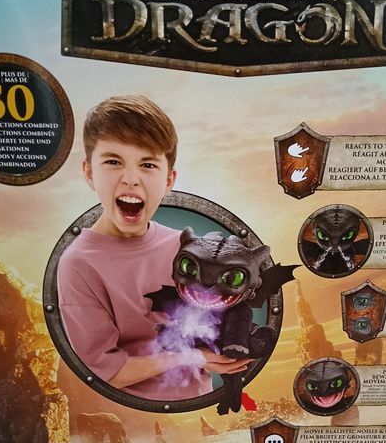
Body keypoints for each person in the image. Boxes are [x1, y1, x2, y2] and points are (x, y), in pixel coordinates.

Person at [57, 95, 249, 400]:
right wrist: (188, 357)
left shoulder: (185, 248)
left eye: (147, 164)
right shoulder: (78, 264)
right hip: (132, 416)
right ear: (90, 173)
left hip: (198, 412)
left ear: (169, 179)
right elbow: (106, 372)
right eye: (113, 162)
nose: (131, 179)